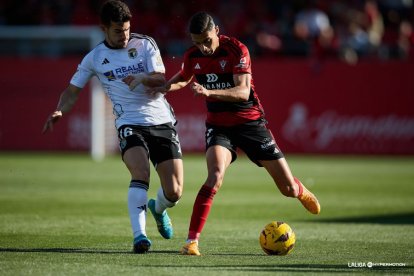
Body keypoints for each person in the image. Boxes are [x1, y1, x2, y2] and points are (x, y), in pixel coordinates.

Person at [145, 11, 321, 256]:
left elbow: (242, 92)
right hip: (219, 127)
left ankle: (300, 190)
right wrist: (164, 88)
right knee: (214, 177)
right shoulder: (193, 55)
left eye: (207, 40)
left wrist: (208, 92)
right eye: (198, 43)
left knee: (287, 189)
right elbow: (183, 78)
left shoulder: (237, 50)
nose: (204, 48)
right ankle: (191, 242)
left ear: (216, 30)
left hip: (251, 124)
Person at [42, 0, 183, 254]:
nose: (124, 35)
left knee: (174, 191)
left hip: (160, 120)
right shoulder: (94, 57)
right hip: (129, 122)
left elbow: (161, 79)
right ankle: (140, 237)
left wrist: (142, 77)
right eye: (118, 31)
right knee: (140, 173)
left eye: (127, 29)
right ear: (104, 29)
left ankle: (158, 208)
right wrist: (60, 109)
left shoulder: (145, 44)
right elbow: (72, 91)